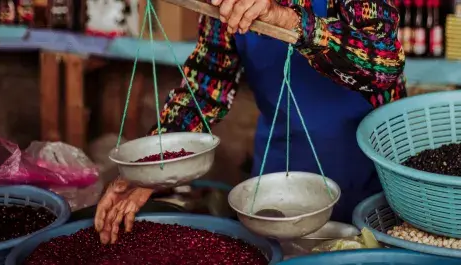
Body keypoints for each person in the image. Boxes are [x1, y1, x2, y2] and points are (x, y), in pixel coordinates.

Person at [95, 0, 407, 244]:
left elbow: (384, 64)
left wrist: (287, 20)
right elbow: (206, 85)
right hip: (281, 181)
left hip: (371, 175)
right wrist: (153, 167)